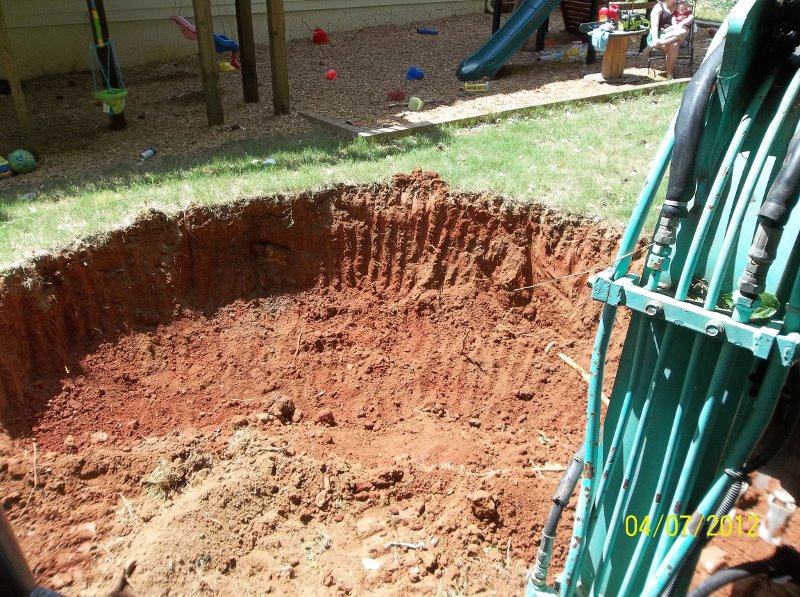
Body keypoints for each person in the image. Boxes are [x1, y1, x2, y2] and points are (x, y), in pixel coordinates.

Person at [642, 0, 694, 77]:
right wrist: (655, 38)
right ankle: (670, 75)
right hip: (659, 35)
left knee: (683, 31)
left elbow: (690, 19)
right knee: (674, 44)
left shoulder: (680, 6)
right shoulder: (658, 7)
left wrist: (685, 20)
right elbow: (654, 26)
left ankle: (654, 45)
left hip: (677, 35)